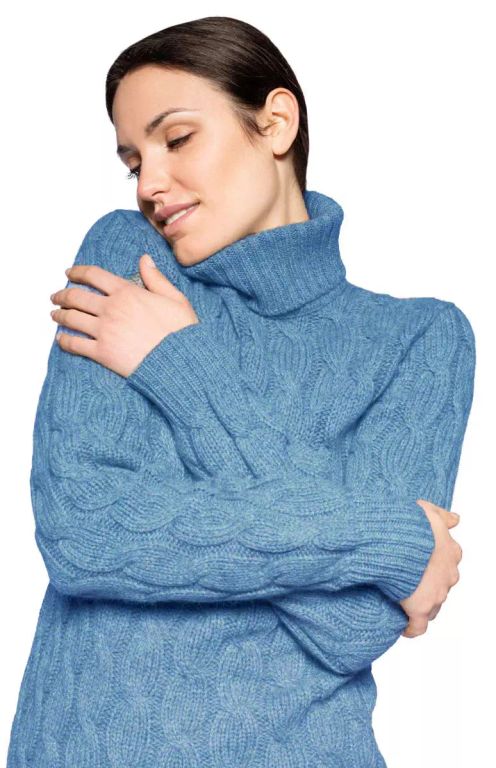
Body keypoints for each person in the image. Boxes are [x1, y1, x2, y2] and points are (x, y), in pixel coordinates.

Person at [6, 16, 475, 767]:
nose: (150, 184)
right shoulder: (129, 261)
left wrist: (176, 366)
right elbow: (84, 534)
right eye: (133, 162)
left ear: (276, 123)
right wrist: (394, 538)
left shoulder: (419, 339)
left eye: (177, 138)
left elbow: (357, 627)